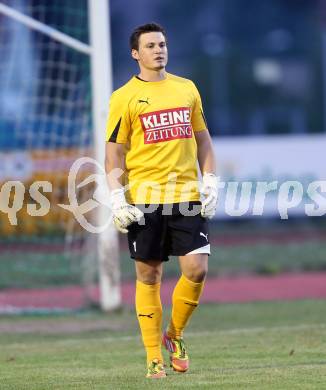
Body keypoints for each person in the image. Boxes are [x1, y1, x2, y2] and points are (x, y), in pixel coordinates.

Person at [105, 22, 218, 378]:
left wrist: (210, 179)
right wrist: (116, 198)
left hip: (186, 196)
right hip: (144, 200)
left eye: (163, 44)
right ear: (136, 53)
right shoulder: (123, 97)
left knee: (196, 269)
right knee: (149, 276)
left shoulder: (186, 89)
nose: (159, 50)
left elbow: (203, 141)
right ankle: (154, 356)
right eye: (151, 45)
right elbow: (114, 153)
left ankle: (175, 335)